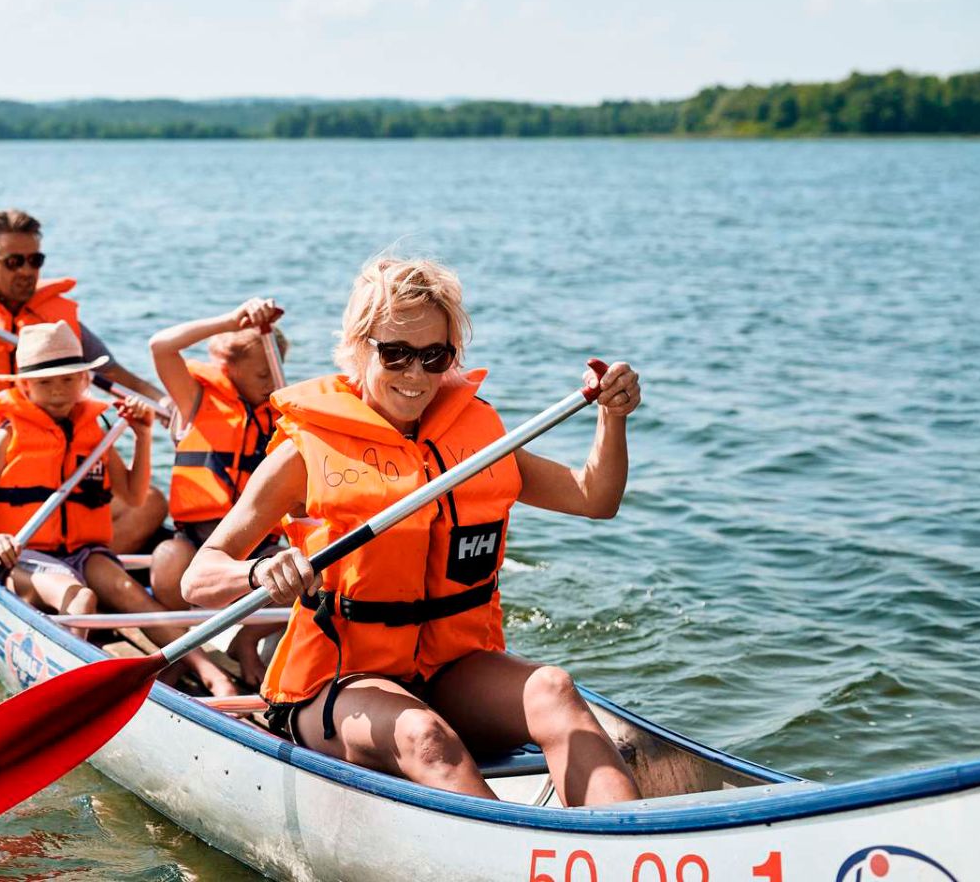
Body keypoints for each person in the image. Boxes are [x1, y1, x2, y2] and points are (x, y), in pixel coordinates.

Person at [180, 256, 644, 806]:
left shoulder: (477, 442)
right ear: (358, 347)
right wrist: (259, 570)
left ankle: (617, 845)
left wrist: (612, 418)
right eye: (395, 353)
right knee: (424, 736)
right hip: (338, 687)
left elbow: (595, 498)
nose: (416, 375)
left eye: (434, 356)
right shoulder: (302, 455)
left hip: (449, 671)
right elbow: (197, 578)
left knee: (553, 688)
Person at [0, 322, 236, 694]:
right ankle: (73, 683)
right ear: (24, 386)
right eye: (45, 383)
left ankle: (208, 671)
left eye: (68, 380)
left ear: (85, 379)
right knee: (82, 598)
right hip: (27, 555)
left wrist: (142, 435)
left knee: (127, 590)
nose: (58, 391)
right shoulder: (8, 433)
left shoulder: (95, 430)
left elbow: (133, 496)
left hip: (83, 552)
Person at [0, 209, 169, 561]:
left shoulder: (59, 332)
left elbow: (123, 380)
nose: (26, 271)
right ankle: (27, 569)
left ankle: (73, 563)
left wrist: (170, 407)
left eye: (35, 260)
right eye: (13, 261)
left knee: (152, 504)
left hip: (65, 464)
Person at [148, 297, 293, 686]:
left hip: (256, 546)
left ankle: (246, 641)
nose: (270, 382)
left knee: (305, 573)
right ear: (229, 368)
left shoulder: (283, 415)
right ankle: (181, 651)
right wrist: (231, 321)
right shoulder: (197, 399)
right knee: (164, 559)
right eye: (261, 373)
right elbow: (161, 346)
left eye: (275, 372)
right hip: (196, 540)